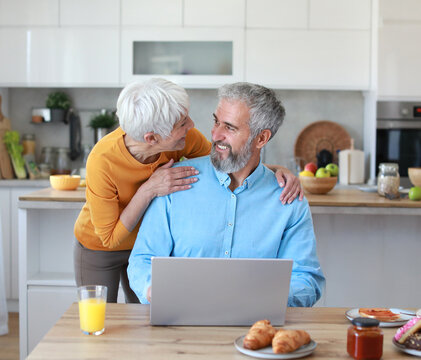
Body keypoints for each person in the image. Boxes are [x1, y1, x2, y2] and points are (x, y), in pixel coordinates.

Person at [74, 78, 303, 303]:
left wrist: (273, 171)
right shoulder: (102, 160)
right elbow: (109, 238)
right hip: (101, 247)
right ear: (152, 138)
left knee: (140, 320)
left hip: (148, 244)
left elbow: (227, 162)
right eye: (182, 123)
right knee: (100, 321)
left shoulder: (186, 139)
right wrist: (149, 190)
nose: (192, 125)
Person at [128, 82, 325, 307]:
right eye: (216, 121)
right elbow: (142, 260)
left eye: (229, 128)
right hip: (180, 324)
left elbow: (307, 279)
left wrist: (256, 300)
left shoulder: (289, 200)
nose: (215, 134)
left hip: (256, 327)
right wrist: (153, 290)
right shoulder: (173, 182)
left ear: (261, 139)